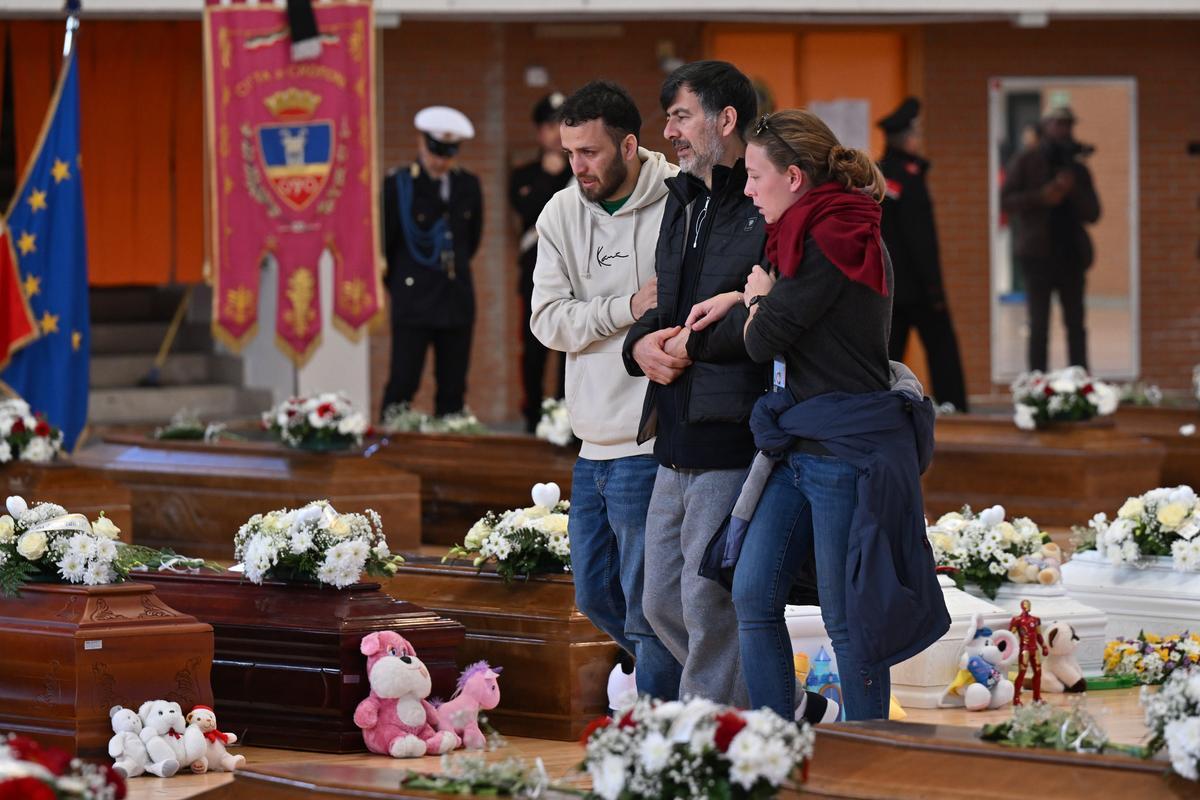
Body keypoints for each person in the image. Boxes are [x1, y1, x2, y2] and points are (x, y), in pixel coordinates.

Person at [684, 109, 950, 721]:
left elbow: (764, 337)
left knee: (847, 618)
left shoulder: (834, 236)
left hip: (842, 451)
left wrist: (754, 299)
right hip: (799, 444)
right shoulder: (808, 228)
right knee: (750, 592)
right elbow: (778, 303)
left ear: (795, 177)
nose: (747, 189)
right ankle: (778, 739)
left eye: (755, 175)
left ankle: (865, 758)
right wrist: (746, 296)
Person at [529, 81, 682, 701]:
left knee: (651, 607)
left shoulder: (678, 200)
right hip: (590, 443)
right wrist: (621, 309)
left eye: (590, 152)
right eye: (570, 153)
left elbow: (672, 311)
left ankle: (663, 727)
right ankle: (696, 689)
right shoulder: (560, 212)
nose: (578, 166)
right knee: (595, 595)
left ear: (629, 144)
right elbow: (546, 321)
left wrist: (596, 316)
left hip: (650, 441)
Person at [621, 60, 766, 708]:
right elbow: (664, 311)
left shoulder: (762, 205)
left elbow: (767, 320)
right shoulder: (681, 204)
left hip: (729, 432)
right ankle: (775, 702)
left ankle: (715, 741)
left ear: (724, 119)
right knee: (658, 601)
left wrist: (688, 341)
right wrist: (639, 346)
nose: (670, 131)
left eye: (680, 115)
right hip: (672, 430)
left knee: (708, 600)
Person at [381, 106, 483, 417]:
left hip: (456, 300)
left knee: (453, 389)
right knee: (403, 382)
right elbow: (387, 245)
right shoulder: (398, 185)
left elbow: (472, 241)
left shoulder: (468, 185)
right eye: (436, 151)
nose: (441, 160)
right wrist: (401, 287)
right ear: (421, 143)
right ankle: (389, 450)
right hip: (414, 301)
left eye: (448, 153)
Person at [877, 97, 969, 412]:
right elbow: (921, 239)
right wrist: (935, 288)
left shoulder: (879, 175)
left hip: (888, 286)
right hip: (918, 286)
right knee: (942, 348)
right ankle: (956, 409)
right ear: (908, 137)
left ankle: (879, 408)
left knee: (886, 356)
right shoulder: (910, 178)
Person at [1001, 105, 1101, 372]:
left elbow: (1094, 212)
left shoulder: (1078, 170)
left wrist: (1072, 190)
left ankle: (1081, 383)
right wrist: (1044, 196)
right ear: (1046, 126)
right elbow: (1006, 201)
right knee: (1039, 326)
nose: (1063, 130)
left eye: (1068, 124)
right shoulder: (1027, 161)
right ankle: (1037, 384)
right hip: (1037, 256)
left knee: (1076, 325)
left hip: (1071, 256)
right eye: (1058, 124)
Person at [511, 93, 572, 432]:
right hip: (534, 275)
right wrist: (549, 176)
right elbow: (527, 214)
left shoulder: (582, 172)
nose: (556, 133)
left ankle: (564, 416)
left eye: (562, 124)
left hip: (573, 274)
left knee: (570, 346)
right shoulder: (523, 175)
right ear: (539, 131)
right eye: (550, 125)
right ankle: (532, 416)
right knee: (533, 348)